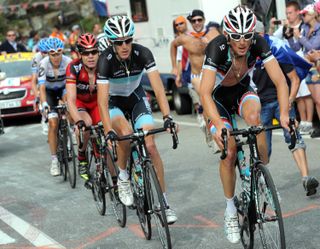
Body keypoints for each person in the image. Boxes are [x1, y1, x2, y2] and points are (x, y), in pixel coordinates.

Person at [199, 6, 290, 243]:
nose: (243, 41)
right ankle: (230, 210)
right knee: (229, 153)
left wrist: (284, 113)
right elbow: (205, 92)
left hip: (241, 91)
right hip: (216, 98)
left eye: (247, 35)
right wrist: (218, 125)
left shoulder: (258, 43)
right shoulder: (216, 48)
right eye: (237, 36)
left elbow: (280, 81)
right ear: (227, 35)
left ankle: (261, 174)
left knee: (255, 119)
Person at [97, 15, 178, 224]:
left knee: (150, 145)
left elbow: (159, 89)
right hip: (114, 102)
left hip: (135, 97)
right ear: (112, 43)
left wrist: (168, 116)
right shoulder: (105, 61)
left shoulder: (143, 53)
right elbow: (102, 100)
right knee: (124, 134)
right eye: (118, 42)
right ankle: (123, 176)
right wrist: (108, 131)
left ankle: (164, 203)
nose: (124, 46)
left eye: (128, 40)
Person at [254, 21, 319, 196]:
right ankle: (261, 182)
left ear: (263, 34)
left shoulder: (276, 47)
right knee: (263, 148)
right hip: (260, 104)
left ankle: (306, 179)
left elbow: (294, 79)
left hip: (280, 99)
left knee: (293, 137)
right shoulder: (246, 52)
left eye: (257, 35)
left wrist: (289, 100)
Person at [170, 10, 220, 148]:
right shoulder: (186, 38)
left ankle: (215, 130)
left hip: (213, 73)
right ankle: (212, 137)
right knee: (206, 100)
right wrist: (174, 67)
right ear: (191, 23)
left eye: (199, 20)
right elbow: (173, 45)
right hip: (197, 76)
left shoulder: (212, 33)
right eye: (194, 21)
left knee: (216, 104)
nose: (197, 23)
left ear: (204, 20)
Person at [269, 1, 315, 136]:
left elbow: (304, 45)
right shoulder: (284, 28)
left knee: (306, 94)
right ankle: (302, 122)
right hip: (290, 63)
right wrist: (273, 27)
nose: (288, 16)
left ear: (297, 12)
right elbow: (271, 38)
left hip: (302, 61)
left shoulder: (304, 26)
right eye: (286, 13)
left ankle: (309, 121)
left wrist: (296, 36)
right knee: (298, 95)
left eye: (290, 13)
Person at [66, 33, 100, 181]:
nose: (90, 56)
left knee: (104, 128)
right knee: (86, 125)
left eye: (94, 52)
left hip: (97, 103)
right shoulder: (73, 67)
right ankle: (82, 156)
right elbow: (71, 100)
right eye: (86, 53)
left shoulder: (103, 65)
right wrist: (77, 120)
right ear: (80, 54)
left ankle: (102, 160)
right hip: (81, 103)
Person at [38, 37, 72, 176]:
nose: (56, 57)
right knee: (52, 123)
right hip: (50, 92)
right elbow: (41, 87)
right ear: (48, 54)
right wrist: (44, 103)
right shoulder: (43, 64)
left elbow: (71, 85)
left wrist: (71, 102)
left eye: (59, 53)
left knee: (69, 105)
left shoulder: (68, 61)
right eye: (53, 54)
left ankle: (69, 134)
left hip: (64, 89)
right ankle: (54, 161)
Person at [31, 38, 49, 135]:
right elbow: (34, 80)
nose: (45, 54)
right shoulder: (36, 58)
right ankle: (44, 118)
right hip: (42, 82)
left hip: (54, 81)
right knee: (42, 99)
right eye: (43, 52)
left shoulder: (55, 55)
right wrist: (37, 95)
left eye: (47, 52)